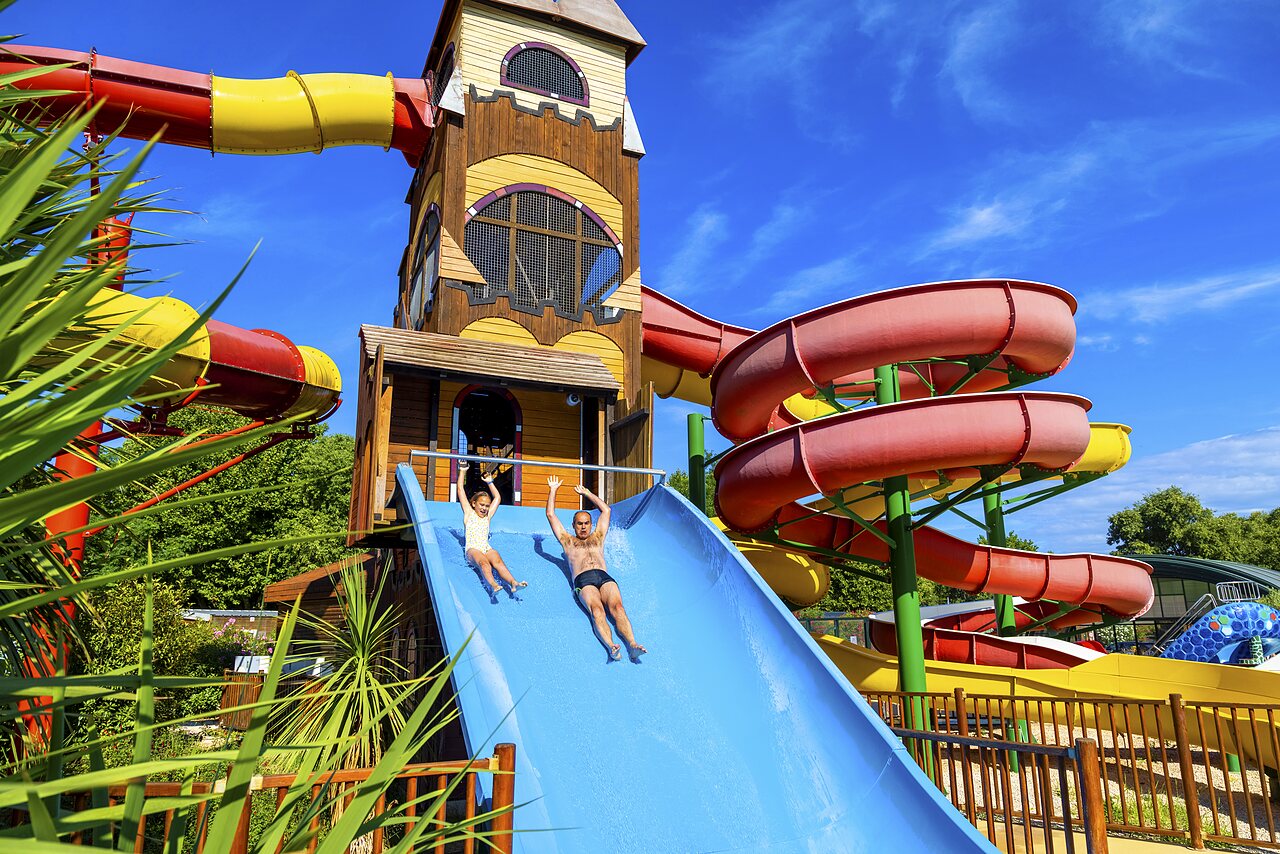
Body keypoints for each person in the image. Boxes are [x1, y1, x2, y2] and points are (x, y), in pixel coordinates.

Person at [545, 476, 647, 662]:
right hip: (583, 581)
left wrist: (587, 493)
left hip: (604, 577)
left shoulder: (598, 537)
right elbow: (551, 515)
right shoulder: (568, 541)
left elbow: (606, 510)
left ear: (591, 524)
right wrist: (553, 490)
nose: (583, 527)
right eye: (579, 523)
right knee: (598, 611)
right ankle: (611, 646)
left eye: (586, 523)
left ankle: (632, 645)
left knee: (618, 608)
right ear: (573, 526)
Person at [457, 460, 526, 598]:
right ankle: (493, 584)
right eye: (481, 505)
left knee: (498, 561)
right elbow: (460, 490)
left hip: (486, 547)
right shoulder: (469, 514)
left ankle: (513, 583)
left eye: (487, 506)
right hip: (472, 549)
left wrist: (490, 482)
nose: (484, 508)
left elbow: (498, 498)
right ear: (474, 504)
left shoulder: (487, 517)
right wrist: (463, 471)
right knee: (484, 563)